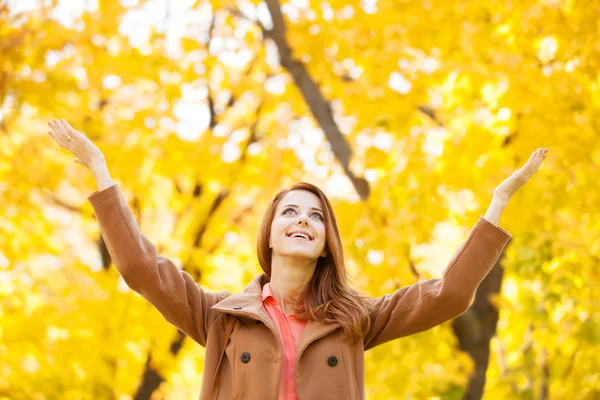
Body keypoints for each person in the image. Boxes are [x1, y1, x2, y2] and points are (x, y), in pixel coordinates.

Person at [47, 118, 547, 399]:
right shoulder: (222, 317)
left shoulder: (354, 320)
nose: (303, 220)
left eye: (316, 215)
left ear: (328, 241)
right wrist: (99, 169)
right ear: (271, 234)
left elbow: (450, 295)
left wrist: (496, 206)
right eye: (290, 211)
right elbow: (139, 270)